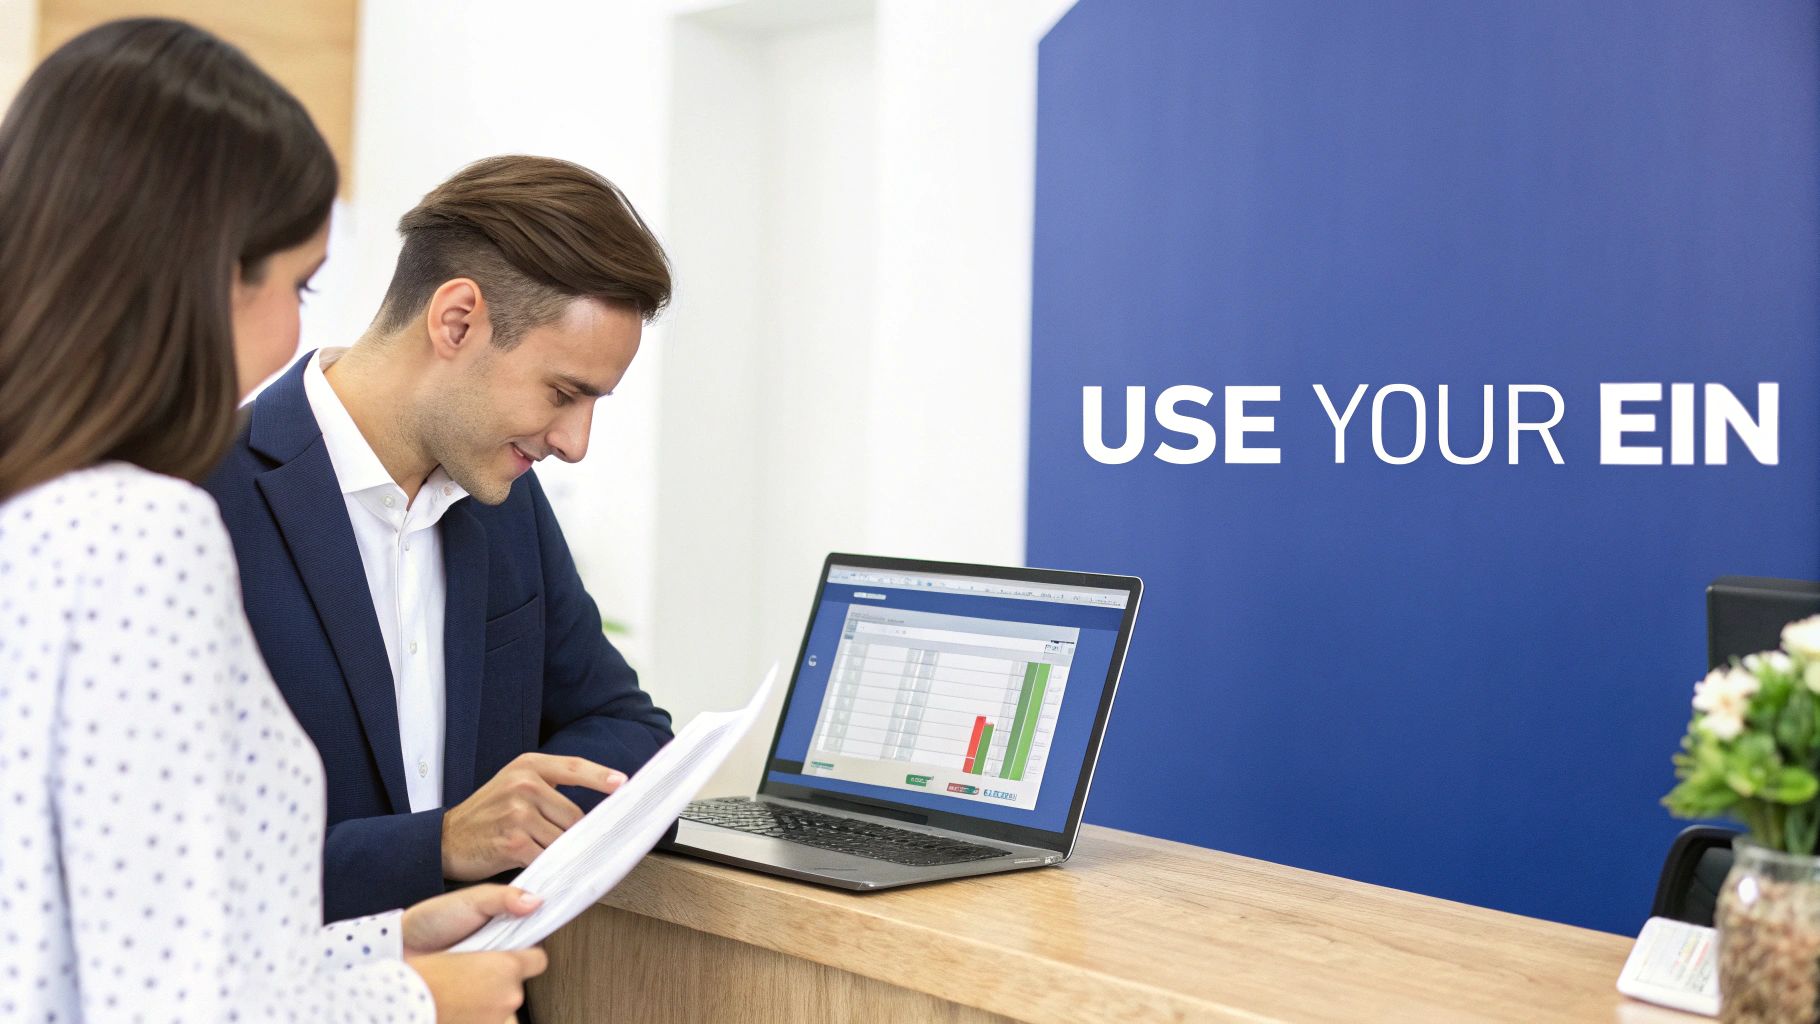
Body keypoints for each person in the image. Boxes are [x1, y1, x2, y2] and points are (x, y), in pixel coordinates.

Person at [0, 19, 547, 1021]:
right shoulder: (139, 532)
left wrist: (383, 939)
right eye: (297, 283)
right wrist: (415, 1001)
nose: (304, 328)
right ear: (200, 273)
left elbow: (111, 949)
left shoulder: (35, 518)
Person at [204, 155, 677, 921]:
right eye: (564, 392)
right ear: (456, 320)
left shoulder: (505, 502)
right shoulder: (201, 499)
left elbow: (630, 729)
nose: (576, 442)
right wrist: (441, 843)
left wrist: (528, 813)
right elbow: (174, 868)